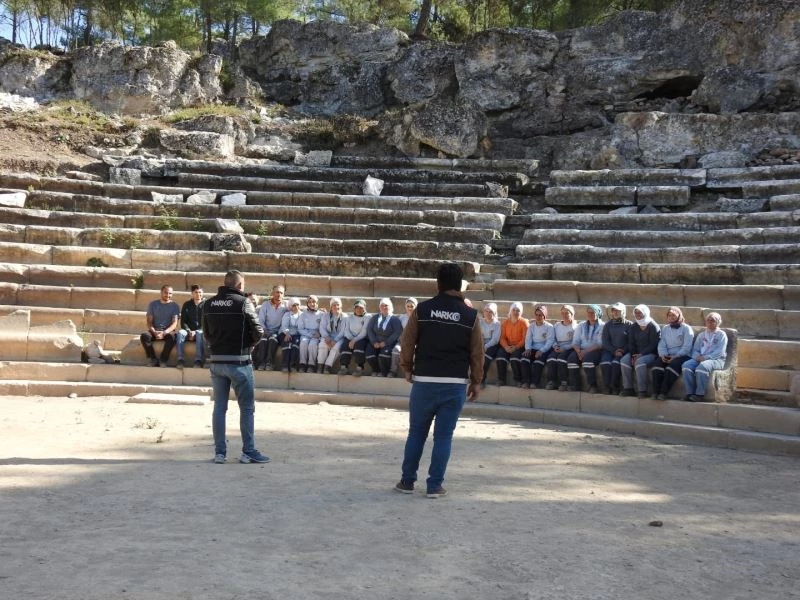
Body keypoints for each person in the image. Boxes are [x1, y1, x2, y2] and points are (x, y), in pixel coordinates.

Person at [395, 262, 483, 499]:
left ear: (438, 284)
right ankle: (434, 486)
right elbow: (477, 352)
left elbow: (407, 342)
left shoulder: (422, 310)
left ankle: (407, 481)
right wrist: (476, 381)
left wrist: (407, 368)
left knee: (416, 434)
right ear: (459, 285)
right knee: (443, 437)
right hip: (454, 384)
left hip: (424, 380)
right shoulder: (470, 316)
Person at [202, 270, 269, 465]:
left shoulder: (208, 303)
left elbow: (206, 333)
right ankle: (248, 452)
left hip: (217, 362)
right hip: (240, 361)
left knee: (219, 408)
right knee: (247, 408)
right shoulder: (243, 303)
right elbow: (258, 331)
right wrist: (250, 344)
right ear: (239, 285)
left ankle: (220, 453)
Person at [682, 312, 728, 402]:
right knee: (686, 365)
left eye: (713, 321)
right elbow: (695, 349)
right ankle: (690, 393)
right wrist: (697, 356)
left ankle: (699, 394)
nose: (710, 322)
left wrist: (706, 358)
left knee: (702, 366)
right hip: (700, 358)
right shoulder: (702, 335)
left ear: (718, 322)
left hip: (716, 359)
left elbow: (720, 351)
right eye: (708, 320)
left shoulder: (722, 335)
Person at [651, 307, 694, 400]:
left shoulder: (686, 328)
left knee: (672, 366)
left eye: (674, 315)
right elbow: (661, 344)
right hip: (668, 354)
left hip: (682, 355)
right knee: (657, 364)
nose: (671, 317)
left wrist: (675, 356)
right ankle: (655, 392)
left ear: (679, 315)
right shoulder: (665, 328)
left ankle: (663, 393)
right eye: (669, 315)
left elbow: (687, 347)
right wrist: (663, 355)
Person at [620, 304, 661, 398]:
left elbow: (653, 344)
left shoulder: (653, 326)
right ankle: (628, 388)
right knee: (624, 361)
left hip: (651, 353)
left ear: (645, 313)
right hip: (636, 353)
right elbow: (631, 342)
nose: (637, 314)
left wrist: (641, 355)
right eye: (636, 312)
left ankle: (642, 390)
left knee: (640, 362)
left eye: (640, 312)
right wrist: (634, 354)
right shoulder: (634, 326)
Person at [140, 284, 181, 367]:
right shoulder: (153, 304)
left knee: (173, 337)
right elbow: (149, 322)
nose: (168, 295)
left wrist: (165, 332)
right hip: (155, 329)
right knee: (144, 336)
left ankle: (163, 360)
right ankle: (153, 359)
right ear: (161, 292)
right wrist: (154, 332)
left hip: (167, 330)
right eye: (166, 293)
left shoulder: (175, 306)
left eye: (170, 293)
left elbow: (174, 323)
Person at [567, 304, 605, 393]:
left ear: (598, 313)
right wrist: (579, 351)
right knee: (571, 359)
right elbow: (575, 342)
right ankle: (575, 385)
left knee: (588, 360)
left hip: (596, 350)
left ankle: (592, 386)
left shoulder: (603, 326)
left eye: (593, 312)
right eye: (589, 312)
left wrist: (585, 352)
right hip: (581, 350)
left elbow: (600, 344)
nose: (590, 314)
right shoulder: (581, 325)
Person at [600, 302, 632, 395]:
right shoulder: (608, 325)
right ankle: (607, 386)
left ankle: (615, 387)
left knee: (616, 363)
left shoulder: (629, 324)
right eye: (613, 310)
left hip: (623, 351)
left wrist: (623, 350)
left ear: (623, 312)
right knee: (605, 363)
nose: (615, 312)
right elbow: (605, 341)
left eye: (618, 310)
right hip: (610, 351)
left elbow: (630, 341)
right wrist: (614, 351)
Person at [366, 298, 404, 377]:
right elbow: (370, 330)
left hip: (389, 343)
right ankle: (376, 370)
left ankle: (384, 372)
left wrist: (385, 343)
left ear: (390, 307)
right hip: (375, 342)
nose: (384, 307)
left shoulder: (394, 319)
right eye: (382, 306)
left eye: (386, 305)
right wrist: (374, 342)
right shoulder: (375, 318)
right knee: (370, 354)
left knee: (384, 355)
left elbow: (397, 332)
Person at [521, 303, 554, 389]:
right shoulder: (531, 326)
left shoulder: (549, 327)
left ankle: (535, 383)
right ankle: (526, 381)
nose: (538, 317)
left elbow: (550, 341)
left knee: (538, 362)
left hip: (544, 349)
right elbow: (528, 339)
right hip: (533, 348)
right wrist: (528, 348)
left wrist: (541, 351)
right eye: (537, 315)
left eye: (541, 315)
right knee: (524, 359)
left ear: (544, 316)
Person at [255, 285, 288, 371]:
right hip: (265, 330)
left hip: (277, 332)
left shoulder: (286, 306)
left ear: (283, 295)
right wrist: (264, 330)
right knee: (263, 340)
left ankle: (269, 363)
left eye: (281, 293)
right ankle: (261, 363)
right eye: (277, 292)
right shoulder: (265, 305)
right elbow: (261, 320)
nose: (279, 294)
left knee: (273, 339)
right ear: (273, 293)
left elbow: (297, 310)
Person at [496, 302, 529, 387]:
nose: (515, 312)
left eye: (518, 310)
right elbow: (502, 338)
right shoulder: (505, 323)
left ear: (520, 312)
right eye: (513, 310)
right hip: (507, 345)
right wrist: (506, 346)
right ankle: (501, 379)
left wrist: (516, 347)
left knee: (515, 358)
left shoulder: (524, 322)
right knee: (500, 356)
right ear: (510, 311)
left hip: (520, 346)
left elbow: (525, 339)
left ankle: (518, 380)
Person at [546, 305, 578, 391]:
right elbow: (552, 338)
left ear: (572, 314)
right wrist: (555, 346)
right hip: (558, 346)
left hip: (570, 348)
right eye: (563, 313)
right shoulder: (557, 325)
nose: (564, 315)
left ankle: (564, 382)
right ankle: (551, 381)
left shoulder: (576, 326)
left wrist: (565, 348)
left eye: (567, 313)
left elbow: (575, 341)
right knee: (551, 358)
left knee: (561, 359)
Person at [338, 299, 370, 376]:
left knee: (359, 345)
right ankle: (344, 367)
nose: (359, 309)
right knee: (345, 345)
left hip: (362, 338)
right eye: (357, 307)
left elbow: (364, 332)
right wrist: (351, 339)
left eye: (361, 308)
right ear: (354, 308)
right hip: (350, 337)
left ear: (364, 308)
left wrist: (354, 340)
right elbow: (346, 331)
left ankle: (360, 368)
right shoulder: (349, 318)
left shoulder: (367, 317)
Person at [176, 284, 205, 369]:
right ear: (192, 293)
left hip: (200, 330)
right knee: (181, 333)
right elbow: (183, 321)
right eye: (196, 292)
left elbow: (207, 322)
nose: (198, 294)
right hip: (188, 330)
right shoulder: (187, 304)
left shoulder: (206, 305)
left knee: (199, 333)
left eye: (200, 292)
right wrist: (189, 331)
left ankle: (198, 360)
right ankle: (180, 359)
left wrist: (196, 331)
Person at [389, 297, 417, 378]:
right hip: (402, 341)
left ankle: (413, 373)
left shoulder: (418, 318)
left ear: (415, 306)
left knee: (414, 352)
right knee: (395, 350)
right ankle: (393, 371)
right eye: (408, 306)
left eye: (412, 306)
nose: (409, 308)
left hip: (414, 342)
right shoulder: (402, 317)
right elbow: (398, 331)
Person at [317, 297, 346, 374]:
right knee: (322, 344)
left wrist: (335, 340)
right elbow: (322, 328)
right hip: (328, 336)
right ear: (330, 307)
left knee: (337, 346)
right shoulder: (325, 315)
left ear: (341, 306)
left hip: (339, 337)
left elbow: (343, 331)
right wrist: (326, 337)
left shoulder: (345, 317)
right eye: (333, 305)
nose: (336, 307)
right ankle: (320, 365)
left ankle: (327, 366)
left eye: (338, 305)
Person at [297, 294, 324, 373]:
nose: (312, 304)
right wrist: (310, 334)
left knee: (313, 344)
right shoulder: (303, 314)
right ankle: (302, 363)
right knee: (303, 343)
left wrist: (319, 333)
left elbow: (324, 326)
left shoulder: (321, 314)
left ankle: (311, 365)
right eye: (310, 302)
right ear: (307, 304)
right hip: (306, 334)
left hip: (317, 334)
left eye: (314, 302)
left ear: (317, 303)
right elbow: (300, 328)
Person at [479, 302, 501, 388]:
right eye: (486, 311)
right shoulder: (480, 322)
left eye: (490, 311)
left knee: (486, 357)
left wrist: (485, 346)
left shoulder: (497, 324)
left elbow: (495, 340)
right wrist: (481, 345)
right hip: (482, 344)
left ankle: (482, 380)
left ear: (494, 313)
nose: (488, 313)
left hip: (493, 345)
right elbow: (479, 336)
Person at [280, 298, 302, 372]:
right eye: (293, 305)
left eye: (297, 305)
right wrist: (287, 333)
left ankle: (293, 365)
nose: (296, 307)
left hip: (296, 334)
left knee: (295, 344)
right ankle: (285, 365)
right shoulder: (287, 314)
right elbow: (284, 326)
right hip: (285, 333)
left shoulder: (302, 314)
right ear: (290, 306)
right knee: (287, 344)